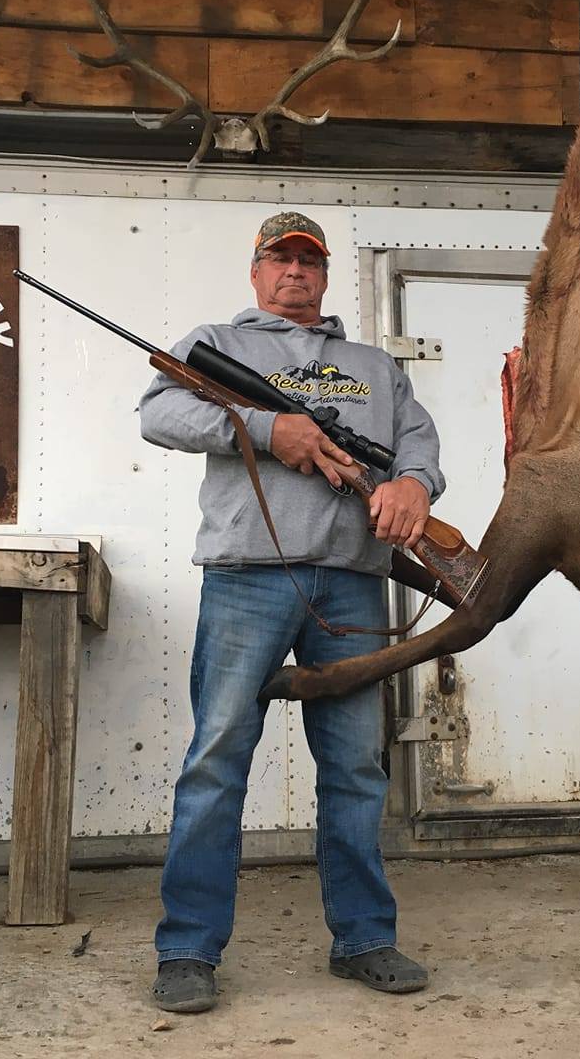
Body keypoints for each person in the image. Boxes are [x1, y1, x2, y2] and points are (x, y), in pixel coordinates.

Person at [138, 211, 445, 1013]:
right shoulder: (219, 346)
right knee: (216, 763)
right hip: (248, 577)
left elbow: (418, 446)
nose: (295, 272)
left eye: (309, 259)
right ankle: (188, 951)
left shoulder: (373, 365)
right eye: (280, 257)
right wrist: (271, 430)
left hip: (351, 582)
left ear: (325, 273)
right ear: (256, 270)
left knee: (355, 769)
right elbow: (160, 414)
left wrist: (413, 485)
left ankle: (365, 939)